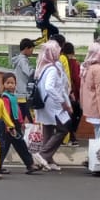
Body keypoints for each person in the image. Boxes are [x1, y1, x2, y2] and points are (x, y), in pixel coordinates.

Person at [32, 40, 71, 171]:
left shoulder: (43, 66)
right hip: (53, 105)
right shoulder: (53, 69)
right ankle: (43, 154)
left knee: (48, 129)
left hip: (45, 104)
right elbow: (50, 87)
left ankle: (48, 159)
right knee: (63, 129)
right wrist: (63, 102)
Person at [0, 73, 37, 173]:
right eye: (8, 83)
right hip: (9, 126)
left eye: (12, 83)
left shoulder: (13, 97)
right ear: (3, 84)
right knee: (6, 147)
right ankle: (30, 165)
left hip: (16, 125)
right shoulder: (5, 98)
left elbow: (17, 111)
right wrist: (9, 126)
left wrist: (21, 122)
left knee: (20, 145)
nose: (10, 85)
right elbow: (5, 112)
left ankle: (30, 165)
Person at [60, 40, 84, 146]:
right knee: (74, 115)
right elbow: (76, 79)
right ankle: (71, 137)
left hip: (63, 93)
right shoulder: (74, 63)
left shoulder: (60, 60)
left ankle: (68, 137)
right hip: (71, 94)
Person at [11, 40, 37, 120]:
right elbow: (29, 72)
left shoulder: (19, 59)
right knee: (29, 116)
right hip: (24, 93)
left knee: (21, 115)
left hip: (20, 91)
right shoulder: (22, 60)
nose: (32, 52)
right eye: (31, 50)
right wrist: (37, 70)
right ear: (26, 48)